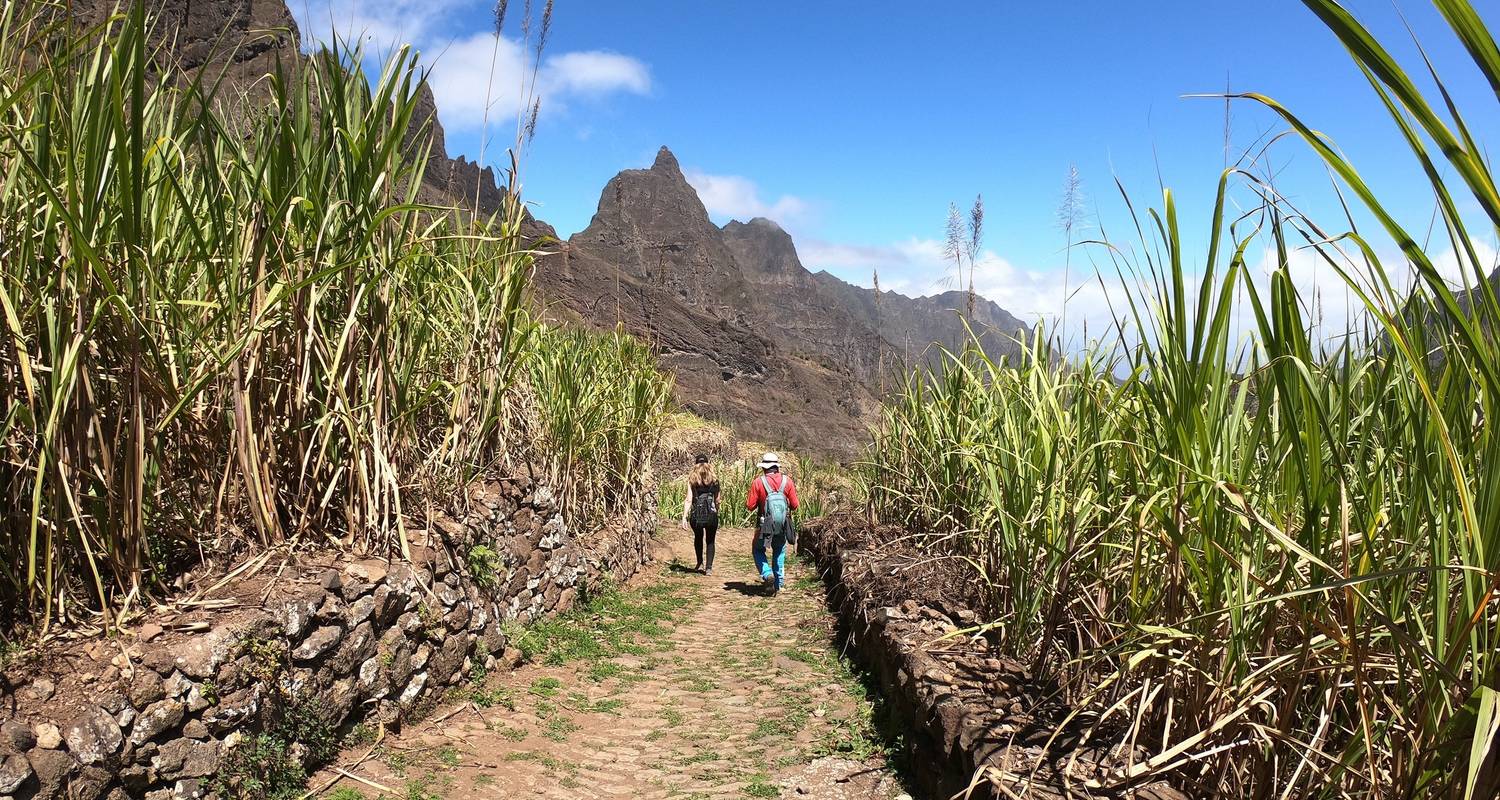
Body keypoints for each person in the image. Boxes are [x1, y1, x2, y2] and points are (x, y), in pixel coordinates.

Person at [745, 452, 799, 595]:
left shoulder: (758, 482)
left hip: (763, 524)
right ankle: (778, 583)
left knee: (757, 550)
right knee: (779, 550)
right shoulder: (787, 481)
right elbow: (795, 505)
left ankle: (767, 573)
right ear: (776, 467)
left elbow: (749, 505)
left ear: (764, 467)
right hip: (782, 525)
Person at [680, 454, 720, 574]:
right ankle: (708, 568)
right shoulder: (715, 480)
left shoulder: (692, 480)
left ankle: (699, 562)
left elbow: (688, 499)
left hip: (696, 515)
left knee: (698, 537)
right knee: (710, 540)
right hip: (711, 515)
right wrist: (716, 511)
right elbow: (717, 500)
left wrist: (684, 517)